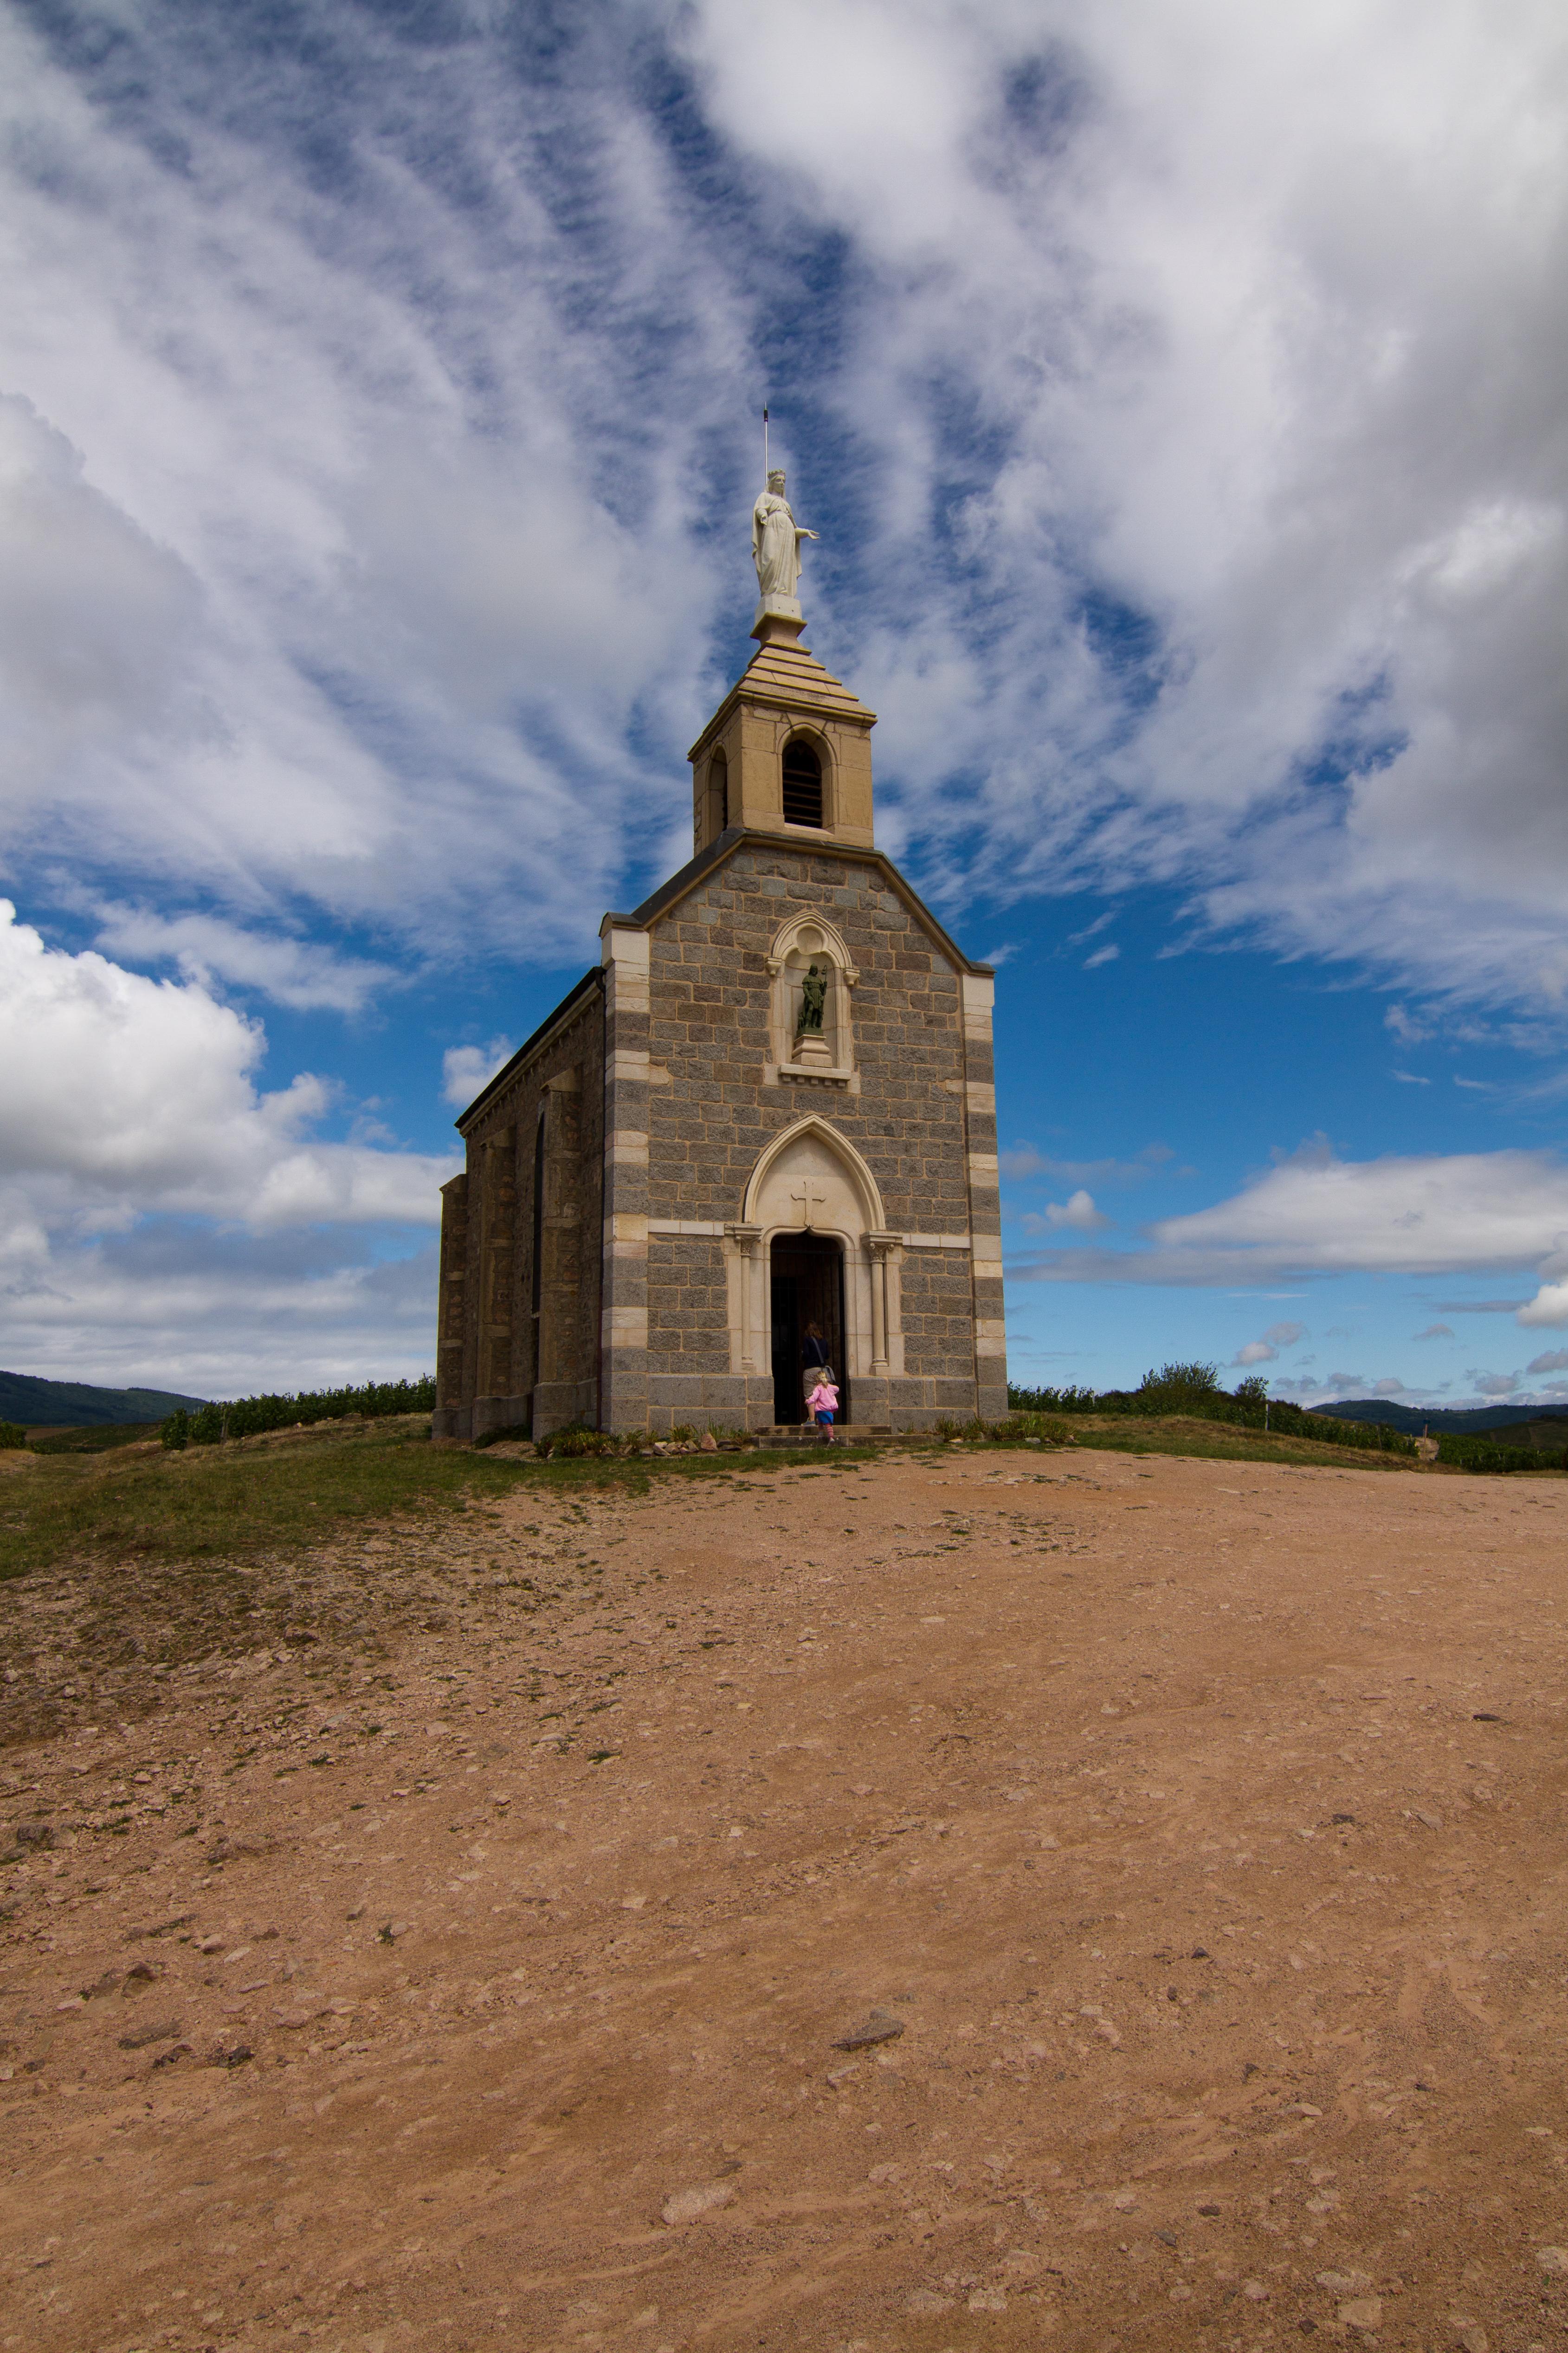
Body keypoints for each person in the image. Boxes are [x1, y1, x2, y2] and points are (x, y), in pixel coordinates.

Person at [806, 1370, 839, 1441]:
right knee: (821, 1421)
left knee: (827, 1423)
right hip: (829, 1409)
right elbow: (837, 1389)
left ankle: (831, 1437)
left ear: (817, 1380)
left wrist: (809, 1401)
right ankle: (821, 1433)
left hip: (821, 1409)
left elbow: (814, 1397)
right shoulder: (830, 1387)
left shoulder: (818, 1388)